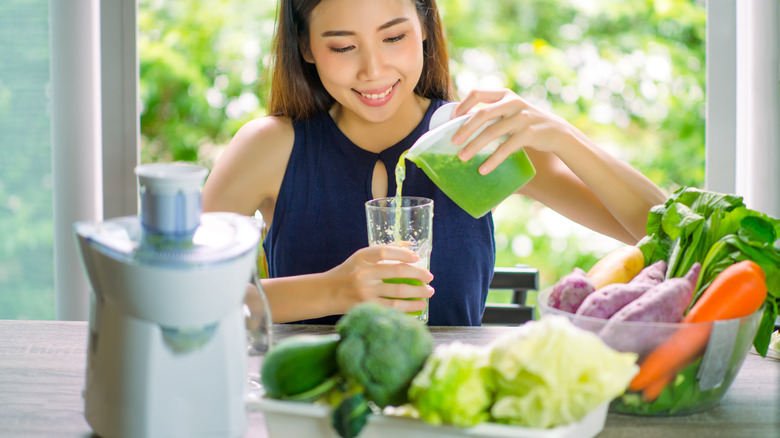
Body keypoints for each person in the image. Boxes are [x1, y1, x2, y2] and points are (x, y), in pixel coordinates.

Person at [202, 0, 667, 326]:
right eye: (343, 47)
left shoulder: (471, 138)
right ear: (305, 47)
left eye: (394, 37)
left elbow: (668, 235)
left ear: (425, 25)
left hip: (447, 414)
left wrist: (563, 137)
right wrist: (333, 289)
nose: (373, 70)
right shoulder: (270, 147)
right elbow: (180, 298)